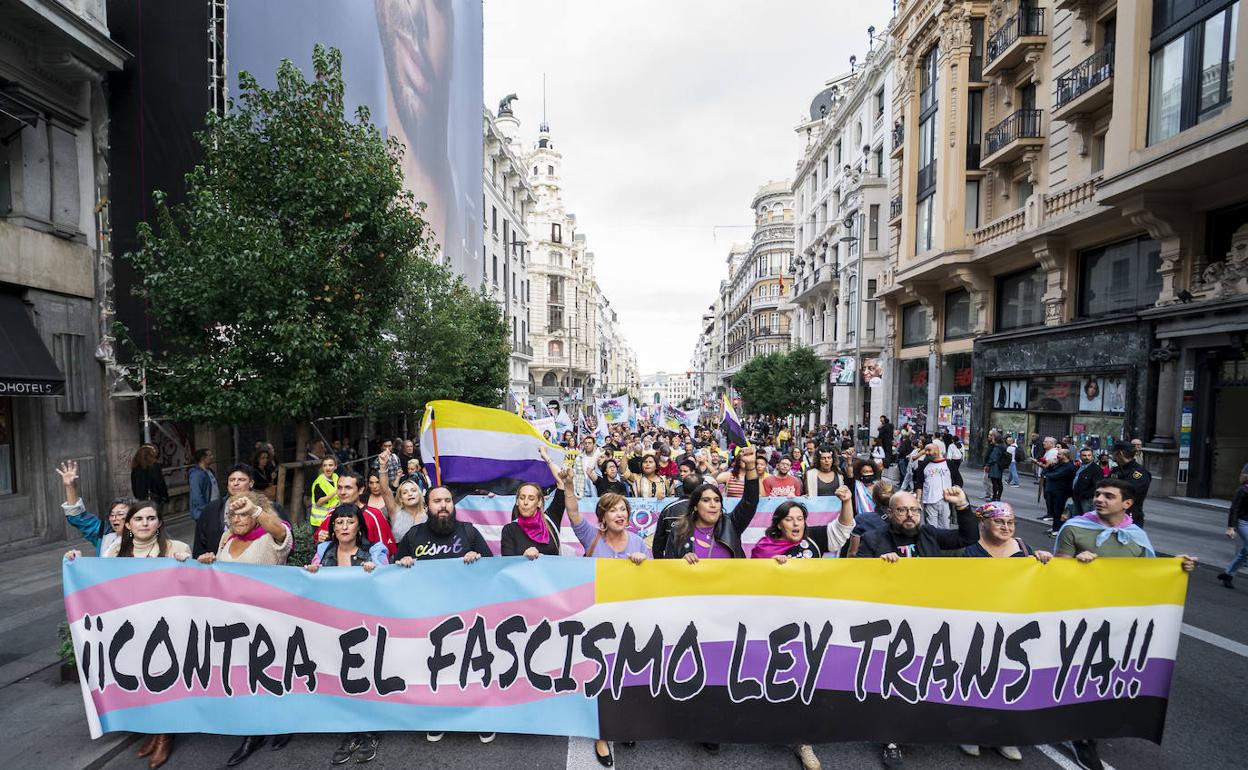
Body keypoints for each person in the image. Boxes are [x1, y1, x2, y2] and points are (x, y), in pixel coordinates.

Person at [1055, 478, 1196, 770]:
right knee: (1080, 673)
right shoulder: (1074, 528)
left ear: (1127, 504)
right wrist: (1073, 564)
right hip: (1079, 616)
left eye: (1108, 495)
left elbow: (1149, 576)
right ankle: (1082, 737)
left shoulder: (1136, 536)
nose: (1099, 499)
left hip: (1121, 620)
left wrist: (1178, 568)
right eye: (1097, 494)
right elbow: (1054, 574)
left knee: (1107, 674)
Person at [65, 501, 191, 769]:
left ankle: (165, 736)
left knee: (165, 681)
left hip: (166, 630)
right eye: (139, 519)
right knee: (144, 681)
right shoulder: (114, 551)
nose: (145, 523)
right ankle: (153, 732)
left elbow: (193, 586)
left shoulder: (177, 549)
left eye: (151, 518)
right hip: (131, 631)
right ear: (129, 525)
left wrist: (187, 564)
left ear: (159, 523)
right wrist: (77, 562)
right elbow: (97, 581)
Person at [856, 486, 976, 768]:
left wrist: (962, 506)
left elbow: (968, 537)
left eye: (914, 510)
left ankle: (922, 725)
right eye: (902, 510)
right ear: (889, 513)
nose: (910, 516)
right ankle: (892, 740)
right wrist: (879, 566)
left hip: (928, 620)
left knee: (924, 676)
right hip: (891, 623)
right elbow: (856, 576)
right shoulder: (874, 538)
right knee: (894, 681)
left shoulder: (928, 533)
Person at [195, 491, 292, 765]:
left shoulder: (269, 538)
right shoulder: (226, 539)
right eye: (234, 514)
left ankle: (283, 724)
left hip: (268, 619)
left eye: (244, 513)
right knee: (245, 677)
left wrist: (255, 510)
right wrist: (209, 563)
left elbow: (282, 532)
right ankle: (253, 732)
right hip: (234, 622)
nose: (238, 518)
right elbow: (221, 573)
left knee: (273, 674)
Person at [393, 485, 494, 743]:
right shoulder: (414, 536)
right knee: (435, 672)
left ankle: (480, 720)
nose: (444, 505)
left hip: (467, 619)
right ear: (427, 507)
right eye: (437, 501)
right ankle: (438, 718)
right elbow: (392, 574)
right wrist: (402, 564)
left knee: (471, 671)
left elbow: (494, 570)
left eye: (448, 500)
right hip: (428, 619)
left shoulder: (469, 533)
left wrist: (479, 558)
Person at [957, 500, 1050, 762]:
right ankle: (972, 732)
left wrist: (1043, 561)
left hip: (1016, 628)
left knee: (1011, 680)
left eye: (1010, 522)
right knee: (980, 680)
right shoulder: (971, 552)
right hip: (981, 627)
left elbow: (1039, 582)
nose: (1005, 527)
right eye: (999, 521)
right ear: (983, 523)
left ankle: (1005, 735)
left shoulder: (1023, 548)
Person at [305, 505, 385, 763]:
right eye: (338, 523)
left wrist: (377, 569)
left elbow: (387, 573)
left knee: (365, 676)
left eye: (349, 522)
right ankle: (350, 730)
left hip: (365, 623)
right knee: (343, 677)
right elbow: (311, 577)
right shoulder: (323, 551)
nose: (343, 527)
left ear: (358, 526)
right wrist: (312, 572)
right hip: (333, 624)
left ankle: (370, 731)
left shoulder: (373, 550)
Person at [192, 464, 288, 558]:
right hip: (217, 568)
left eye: (241, 480)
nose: (235, 483)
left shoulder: (272, 507)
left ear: (251, 483)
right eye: (232, 480)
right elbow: (199, 545)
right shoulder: (211, 509)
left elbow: (284, 538)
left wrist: (255, 512)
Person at [752, 484, 855, 560]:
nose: (796, 523)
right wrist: (771, 565)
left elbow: (842, 528)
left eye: (800, 519)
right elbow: (755, 577)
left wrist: (846, 502)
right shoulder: (764, 548)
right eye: (789, 519)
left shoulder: (814, 536)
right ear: (779, 524)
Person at [501, 447, 570, 559]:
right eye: (522, 498)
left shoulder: (551, 519)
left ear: (539, 502)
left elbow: (562, 483)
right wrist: (523, 557)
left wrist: (545, 457)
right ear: (517, 501)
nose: (526, 502)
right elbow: (507, 566)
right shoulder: (509, 530)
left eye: (531, 498)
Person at [315, 472, 397, 558]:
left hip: (367, 569)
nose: (342, 492)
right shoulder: (332, 513)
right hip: (337, 569)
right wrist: (321, 538)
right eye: (339, 488)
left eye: (348, 488)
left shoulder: (374, 515)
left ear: (361, 490)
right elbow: (318, 542)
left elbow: (384, 551)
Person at [57, 460, 128, 556]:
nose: (115, 518)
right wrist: (70, 487)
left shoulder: (145, 537)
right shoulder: (105, 533)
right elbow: (78, 519)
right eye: (112, 515)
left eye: (120, 514)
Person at [1111, 444, 1152, 528]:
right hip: (1112, 513)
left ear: (1120, 453)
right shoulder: (1116, 470)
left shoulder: (1139, 473)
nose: (1112, 455)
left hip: (1130, 515)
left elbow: (1129, 492)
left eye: (1113, 452)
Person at [913, 442, 953, 528]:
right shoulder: (923, 465)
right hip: (929, 500)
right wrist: (918, 499)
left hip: (945, 500)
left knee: (945, 527)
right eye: (925, 450)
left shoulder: (948, 464)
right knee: (931, 528)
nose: (926, 453)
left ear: (936, 451)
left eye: (929, 450)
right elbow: (919, 483)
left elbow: (958, 481)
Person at [1219, 470, 1248, 588]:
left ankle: (1228, 574)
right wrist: (1231, 527)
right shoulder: (1242, 490)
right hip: (1243, 523)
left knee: (1245, 552)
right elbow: (1234, 509)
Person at [1042, 449, 1076, 535]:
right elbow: (1045, 472)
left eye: (1059, 454)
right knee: (1053, 510)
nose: (1057, 456)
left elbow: (1054, 475)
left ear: (1065, 456)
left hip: (1061, 492)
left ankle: (1058, 529)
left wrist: (1047, 473)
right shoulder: (1058, 464)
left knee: (1058, 511)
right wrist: (1049, 466)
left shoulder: (1068, 466)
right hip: (1052, 490)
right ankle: (1054, 527)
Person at [130, 444, 169, 509]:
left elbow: (134, 485)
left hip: (141, 500)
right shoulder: (154, 467)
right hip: (155, 498)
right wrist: (165, 497)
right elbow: (160, 483)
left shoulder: (135, 468)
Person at [187, 448, 218, 521]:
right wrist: (205, 509)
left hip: (213, 508)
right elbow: (196, 495)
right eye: (209, 455)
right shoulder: (196, 474)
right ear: (203, 458)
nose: (212, 457)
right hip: (204, 512)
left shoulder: (209, 471)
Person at [309, 455, 339, 528]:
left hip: (332, 519)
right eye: (325, 465)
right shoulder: (319, 482)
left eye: (330, 465)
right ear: (322, 468)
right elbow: (319, 503)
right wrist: (335, 493)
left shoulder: (336, 476)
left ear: (335, 467)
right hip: (320, 522)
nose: (328, 468)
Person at [1071, 447, 1100, 515]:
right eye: (1084, 455)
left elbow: (1096, 485)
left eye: (1089, 455)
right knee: (1077, 518)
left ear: (1092, 456)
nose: (1087, 457)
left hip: (1087, 499)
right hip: (1076, 498)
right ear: (1080, 456)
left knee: (1087, 517)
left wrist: (1085, 495)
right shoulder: (1079, 467)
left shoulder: (1096, 469)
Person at [983, 432, 1008, 503]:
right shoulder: (1003, 446)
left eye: (993, 438)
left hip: (995, 467)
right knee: (999, 482)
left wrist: (988, 465)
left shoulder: (997, 447)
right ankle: (998, 496)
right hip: (1000, 466)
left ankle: (994, 497)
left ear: (996, 440)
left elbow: (993, 458)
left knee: (995, 483)